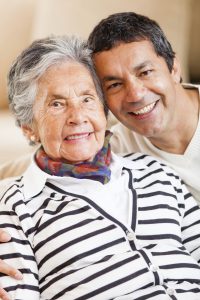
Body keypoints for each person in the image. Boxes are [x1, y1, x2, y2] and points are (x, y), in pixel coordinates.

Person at [0, 35, 200, 300]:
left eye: (87, 99)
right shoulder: (15, 206)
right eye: (57, 104)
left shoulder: (156, 172)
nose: (78, 117)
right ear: (29, 128)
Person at [87, 11, 200, 204]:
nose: (135, 95)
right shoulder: (116, 150)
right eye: (115, 85)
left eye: (145, 72)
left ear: (173, 69)